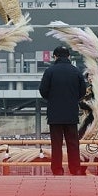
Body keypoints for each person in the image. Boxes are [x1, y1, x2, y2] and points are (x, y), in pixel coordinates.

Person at [39, 46, 87, 175]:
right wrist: (73, 99)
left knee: (56, 145)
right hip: (71, 113)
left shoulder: (49, 71)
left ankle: (57, 170)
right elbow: (83, 91)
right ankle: (75, 169)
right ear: (69, 57)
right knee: (73, 144)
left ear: (55, 56)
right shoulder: (76, 71)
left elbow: (43, 91)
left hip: (55, 114)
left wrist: (52, 99)